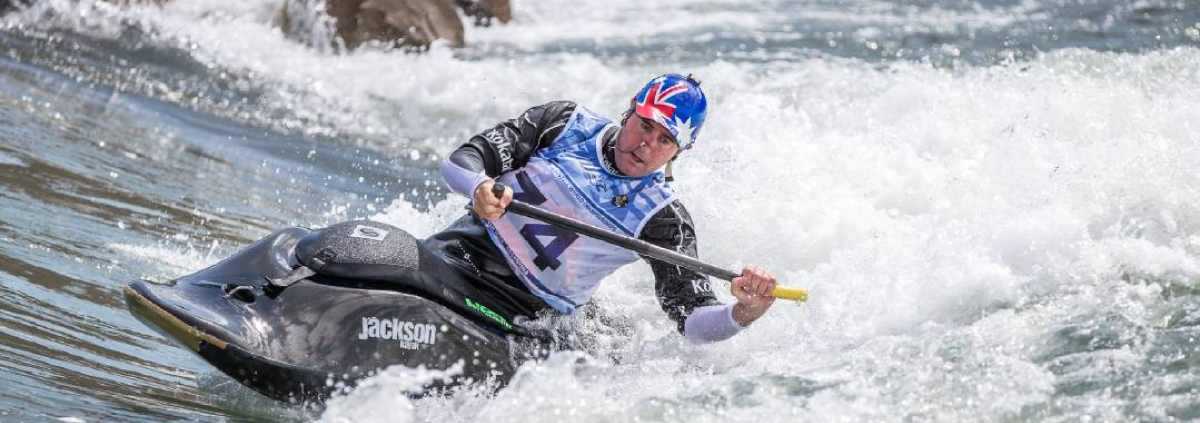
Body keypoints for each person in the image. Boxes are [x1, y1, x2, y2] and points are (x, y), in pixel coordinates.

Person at [426, 73, 778, 344]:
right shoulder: (564, 123)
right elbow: (462, 160)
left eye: (665, 140)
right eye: (645, 125)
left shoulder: (664, 220)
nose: (646, 144)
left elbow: (693, 323)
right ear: (630, 110)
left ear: (679, 152)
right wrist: (479, 185)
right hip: (461, 256)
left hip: (525, 316)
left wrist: (743, 312)